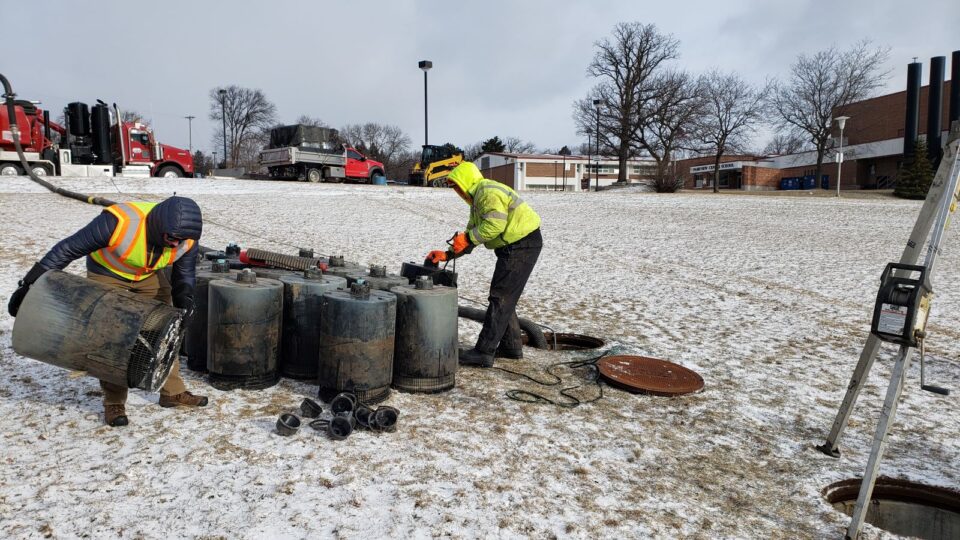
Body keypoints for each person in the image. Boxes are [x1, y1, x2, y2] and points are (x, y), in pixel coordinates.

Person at [7, 196, 209, 427]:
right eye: (171, 239)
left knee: (167, 330)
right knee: (112, 337)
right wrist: (29, 284)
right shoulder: (119, 221)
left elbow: (184, 275)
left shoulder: (187, 240)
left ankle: (172, 392)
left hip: (147, 276)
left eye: (180, 240)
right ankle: (114, 402)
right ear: (158, 225)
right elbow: (67, 249)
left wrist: (184, 304)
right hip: (108, 273)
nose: (175, 245)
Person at [427, 162, 542, 368]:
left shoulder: (487, 192)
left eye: (456, 186)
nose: (456, 191)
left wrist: (469, 238)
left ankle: (483, 352)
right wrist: (447, 254)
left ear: (466, 181)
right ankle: (511, 347)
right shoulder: (477, 202)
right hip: (515, 246)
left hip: (522, 245)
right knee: (505, 297)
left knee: (501, 298)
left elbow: (494, 226)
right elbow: (471, 234)